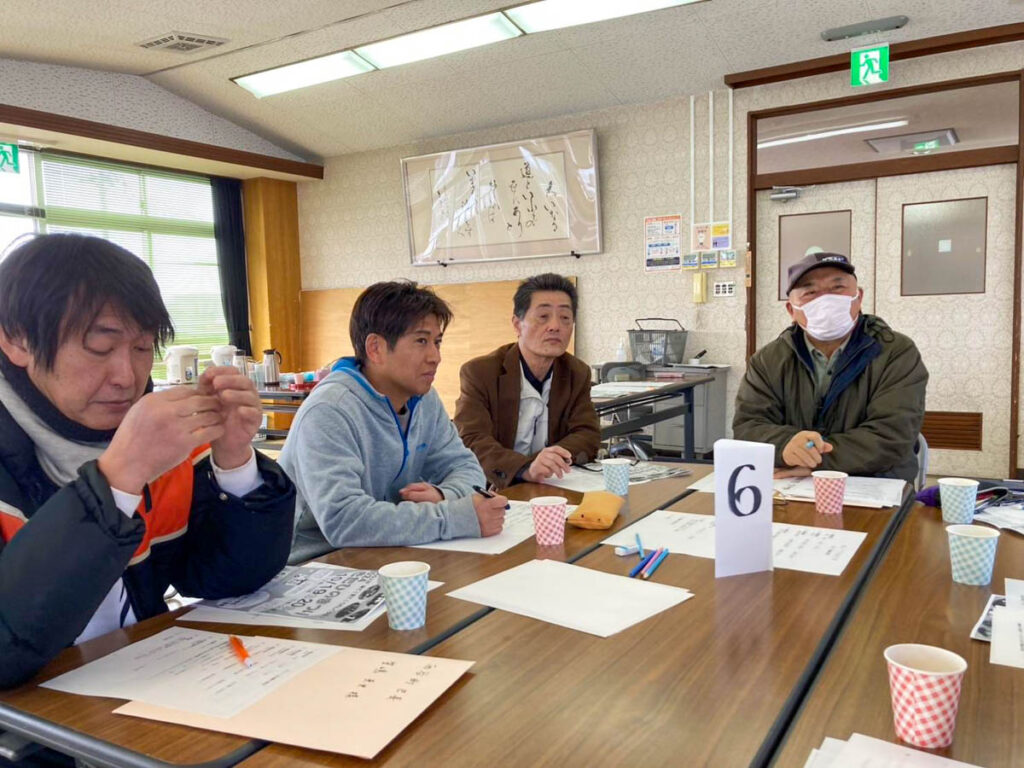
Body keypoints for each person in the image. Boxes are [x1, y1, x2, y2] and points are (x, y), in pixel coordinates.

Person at [0, 234, 295, 689]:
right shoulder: (142, 446)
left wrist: (235, 461)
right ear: (16, 339)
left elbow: (223, 578)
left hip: (148, 686)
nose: (126, 377)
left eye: (142, 349)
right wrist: (117, 479)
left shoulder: (164, 438)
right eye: (100, 347)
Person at [279, 281, 505, 559]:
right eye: (421, 341)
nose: (435, 357)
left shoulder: (424, 399)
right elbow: (344, 520)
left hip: (389, 546)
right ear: (375, 348)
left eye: (437, 342)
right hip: (317, 563)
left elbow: (465, 467)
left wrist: (443, 495)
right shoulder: (329, 410)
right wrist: (454, 517)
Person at [733, 252, 927, 483]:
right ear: (791, 310)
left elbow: (892, 434)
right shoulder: (767, 360)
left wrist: (816, 461)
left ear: (859, 297)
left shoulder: (895, 351)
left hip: (875, 481)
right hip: (791, 482)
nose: (825, 300)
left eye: (837, 288)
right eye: (810, 292)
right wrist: (785, 445)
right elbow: (748, 426)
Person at [454, 273, 600, 489]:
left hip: (549, 485)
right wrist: (525, 468)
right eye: (543, 316)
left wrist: (551, 459)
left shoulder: (576, 372)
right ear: (517, 324)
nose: (555, 326)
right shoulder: (480, 372)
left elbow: (587, 433)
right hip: (494, 487)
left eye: (565, 318)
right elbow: (471, 439)